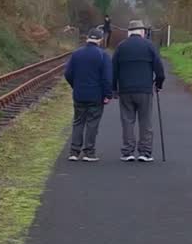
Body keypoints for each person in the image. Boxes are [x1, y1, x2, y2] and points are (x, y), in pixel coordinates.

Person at [112, 19, 165, 162]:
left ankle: (127, 152)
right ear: (142, 32)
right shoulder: (149, 46)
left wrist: (113, 89)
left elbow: (114, 69)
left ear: (129, 32)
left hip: (125, 90)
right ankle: (145, 152)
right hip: (144, 90)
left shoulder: (121, 47)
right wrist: (158, 83)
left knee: (127, 121)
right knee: (145, 121)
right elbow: (159, 69)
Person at [63, 27, 112, 162]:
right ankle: (89, 152)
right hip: (96, 95)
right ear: (100, 40)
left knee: (78, 122)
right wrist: (108, 94)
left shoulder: (76, 54)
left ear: (87, 38)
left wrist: (75, 85)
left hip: (79, 94)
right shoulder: (103, 55)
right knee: (92, 123)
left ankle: (74, 152)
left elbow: (67, 74)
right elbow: (107, 78)